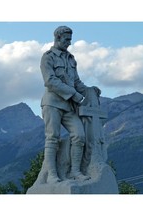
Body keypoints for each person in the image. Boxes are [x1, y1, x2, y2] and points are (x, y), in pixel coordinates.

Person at [40, 26, 100, 183]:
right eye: (66, 40)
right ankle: (52, 175)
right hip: (52, 103)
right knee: (52, 137)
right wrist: (74, 94)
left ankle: (75, 171)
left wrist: (89, 90)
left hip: (69, 106)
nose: (68, 43)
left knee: (79, 135)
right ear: (57, 38)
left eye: (70, 40)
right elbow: (50, 81)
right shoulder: (48, 57)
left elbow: (77, 82)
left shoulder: (71, 59)